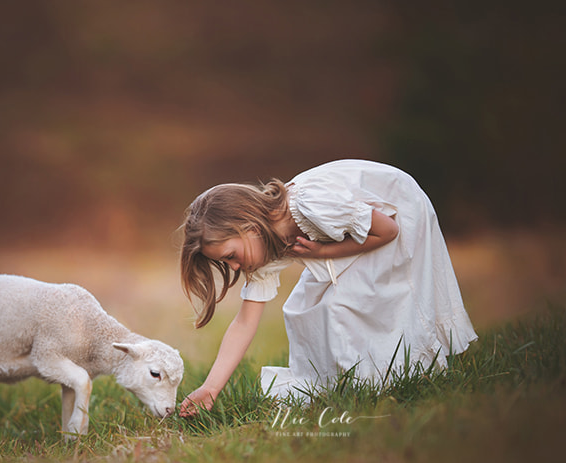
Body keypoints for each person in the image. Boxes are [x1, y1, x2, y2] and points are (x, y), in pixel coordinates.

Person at [178, 158, 477, 416]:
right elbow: (244, 323)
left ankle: (400, 373)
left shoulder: (311, 206)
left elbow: (387, 230)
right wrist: (211, 388)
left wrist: (322, 253)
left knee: (347, 302)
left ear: (250, 227)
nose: (233, 267)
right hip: (359, 233)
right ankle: (351, 381)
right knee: (306, 308)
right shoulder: (262, 248)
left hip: (398, 209)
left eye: (231, 256)